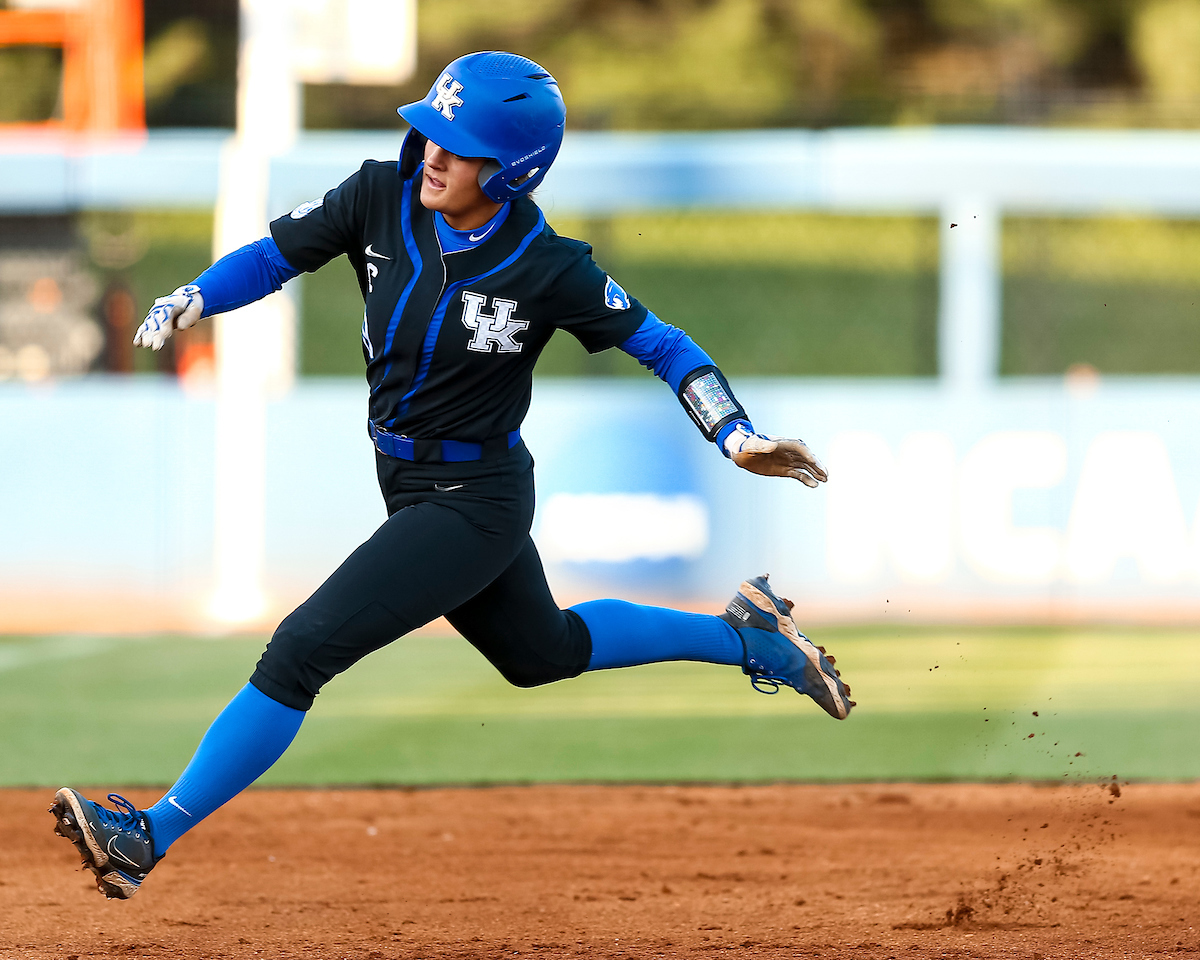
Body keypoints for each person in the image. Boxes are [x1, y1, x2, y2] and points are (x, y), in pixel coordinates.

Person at [49, 51, 853, 901]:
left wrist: (735, 436)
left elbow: (665, 346)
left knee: (299, 652)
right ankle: (751, 637)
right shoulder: (377, 195)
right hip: (409, 480)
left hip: (475, 503)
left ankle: (148, 837)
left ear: (513, 171)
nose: (431, 151)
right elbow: (275, 255)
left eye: (458, 145)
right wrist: (195, 296)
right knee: (543, 652)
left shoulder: (549, 266)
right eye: (431, 129)